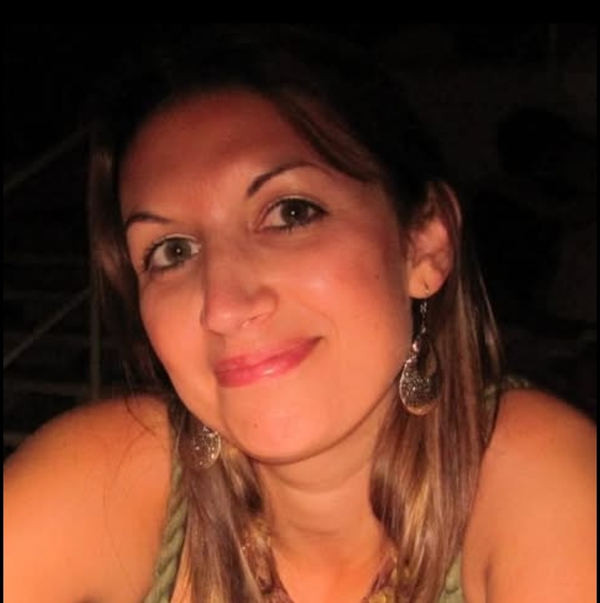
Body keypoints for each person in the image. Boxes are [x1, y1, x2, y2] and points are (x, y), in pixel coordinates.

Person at [3, 25, 596, 603]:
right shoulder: (104, 479)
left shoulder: (541, 483)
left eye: (290, 213)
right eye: (173, 252)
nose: (225, 306)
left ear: (425, 244)